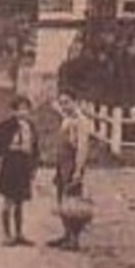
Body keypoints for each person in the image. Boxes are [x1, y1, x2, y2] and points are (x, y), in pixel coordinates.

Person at [0, 96, 38, 247]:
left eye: (26, 108)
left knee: (20, 201)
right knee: (8, 201)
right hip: (11, 163)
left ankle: (19, 234)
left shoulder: (31, 126)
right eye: (20, 108)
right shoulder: (9, 124)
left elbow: (35, 148)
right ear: (14, 110)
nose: (23, 112)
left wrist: (34, 167)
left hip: (24, 163)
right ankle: (7, 235)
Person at [48, 96, 92, 251]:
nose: (64, 106)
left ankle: (74, 239)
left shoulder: (82, 121)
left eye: (67, 102)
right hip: (62, 163)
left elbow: (82, 148)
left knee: (73, 202)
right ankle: (66, 234)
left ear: (76, 102)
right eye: (62, 103)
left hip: (72, 164)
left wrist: (78, 170)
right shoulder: (67, 119)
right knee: (62, 200)